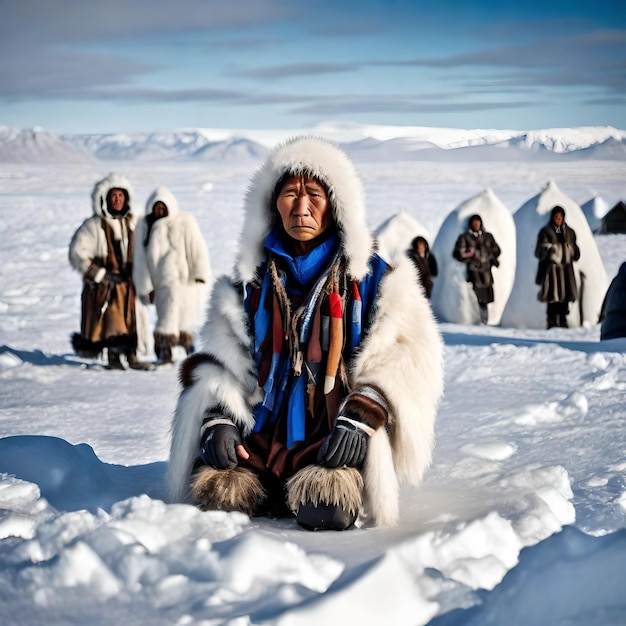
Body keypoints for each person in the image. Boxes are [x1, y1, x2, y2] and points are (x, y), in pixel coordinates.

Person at [166, 136, 444, 530]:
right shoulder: (253, 284)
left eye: (314, 194)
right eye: (289, 195)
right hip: (260, 434)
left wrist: (365, 412)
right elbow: (223, 363)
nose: (301, 207)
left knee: (325, 510)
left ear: (337, 204)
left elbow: (407, 358)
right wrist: (217, 417)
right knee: (221, 498)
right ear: (271, 203)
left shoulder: (373, 281)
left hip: (330, 436)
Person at [69, 172, 151, 370]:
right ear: (105, 198)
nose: (117, 200)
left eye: (121, 195)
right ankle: (114, 356)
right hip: (106, 285)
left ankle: (132, 355)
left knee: (132, 319)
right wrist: (100, 274)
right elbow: (77, 253)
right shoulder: (94, 225)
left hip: (131, 281)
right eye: (113, 196)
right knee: (112, 319)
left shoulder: (134, 222)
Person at [133, 187, 213, 364]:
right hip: (159, 283)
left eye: (163, 207)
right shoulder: (145, 227)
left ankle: (186, 350)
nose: (160, 211)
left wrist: (199, 273)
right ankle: (165, 351)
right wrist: (145, 287)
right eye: (156, 207)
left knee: (183, 318)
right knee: (166, 318)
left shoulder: (184, 221)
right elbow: (141, 261)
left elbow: (196, 248)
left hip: (183, 281)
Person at [535, 205, 581, 329]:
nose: (558, 220)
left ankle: (563, 320)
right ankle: (551, 321)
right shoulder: (546, 232)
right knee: (552, 296)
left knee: (565, 296)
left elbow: (576, 251)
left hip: (566, 270)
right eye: (556, 217)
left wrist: (570, 250)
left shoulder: (569, 233)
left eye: (560, 217)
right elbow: (539, 250)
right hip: (552, 270)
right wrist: (552, 250)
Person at [453, 214, 501, 324]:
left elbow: (497, 250)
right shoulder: (465, 238)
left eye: (478, 223)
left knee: (487, 295)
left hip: (486, 270)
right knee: (476, 296)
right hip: (473, 271)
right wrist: (469, 254)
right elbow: (457, 254)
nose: (476, 225)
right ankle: (477, 319)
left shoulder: (487, 236)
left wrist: (488, 255)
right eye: (474, 223)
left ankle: (486, 319)